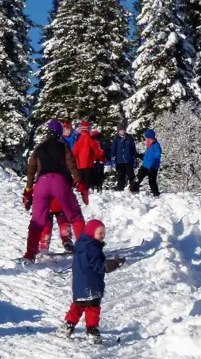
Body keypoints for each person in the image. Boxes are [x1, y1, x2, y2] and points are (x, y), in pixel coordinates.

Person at [21, 120, 88, 262]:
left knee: (37, 221)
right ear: (59, 133)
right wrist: (80, 184)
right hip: (60, 182)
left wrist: (28, 190)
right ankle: (85, 250)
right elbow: (72, 165)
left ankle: (30, 255)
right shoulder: (63, 146)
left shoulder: (39, 148)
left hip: (42, 183)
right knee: (74, 215)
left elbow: (31, 170)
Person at [61, 219, 125, 343]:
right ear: (91, 233)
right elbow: (99, 266)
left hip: (79, 284)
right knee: (92, 308)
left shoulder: (81, 245)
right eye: (99, 232)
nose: (102, 235)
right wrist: (114, 264)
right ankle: (92, 331)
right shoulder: (93, 249)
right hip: (91, 284)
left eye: (104, 233)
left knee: (78, 305)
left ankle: (68, 326)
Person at [72, 121, 103, 192]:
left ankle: (80, 189)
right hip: (88, 163)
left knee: (81, 178)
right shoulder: (90, 138)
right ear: (88, 129)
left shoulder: (78, 138)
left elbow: (74, 151)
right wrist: (102, 154)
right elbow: (96, 149)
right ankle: (88, 190)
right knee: (88, 179)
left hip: (80, 163)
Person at [133, 129, 162, 197]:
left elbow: (157, 157)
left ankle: (156, 194)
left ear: (150, 137)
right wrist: (141, 156)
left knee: (152, 181)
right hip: (145, 165)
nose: (145, 139)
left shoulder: (156, 146)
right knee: (138, 178)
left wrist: (153, 166)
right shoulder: (149, 144)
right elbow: (148, 155)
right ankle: (132, 190)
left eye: (146, 137)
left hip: (152, 167)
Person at [110, 125, 137, 192]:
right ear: (118, 131)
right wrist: (113, 157)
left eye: (123, 130)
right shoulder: (116, 139)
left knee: (131, 175)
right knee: (121, 175)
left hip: (128, 159)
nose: (122, 131)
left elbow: (133, 148)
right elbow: (113, 149)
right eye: (121, 130)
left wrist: (134, 157)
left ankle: (133, 187)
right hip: (120, 160)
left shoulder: (129, 138)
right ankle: (120, 187)